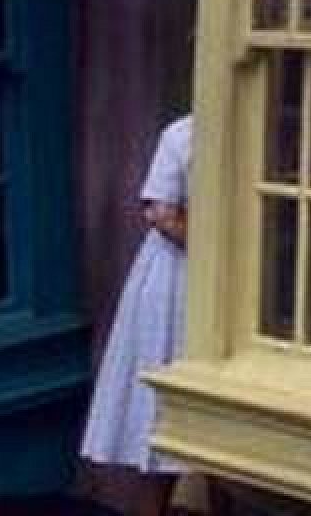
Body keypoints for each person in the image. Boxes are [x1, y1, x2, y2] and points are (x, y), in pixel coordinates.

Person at [80, 112, 192, 516]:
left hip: (225, 284)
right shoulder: (181, 134)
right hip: (176, 277)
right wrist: (214, 249)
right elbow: (162, 213)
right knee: (160, 406)